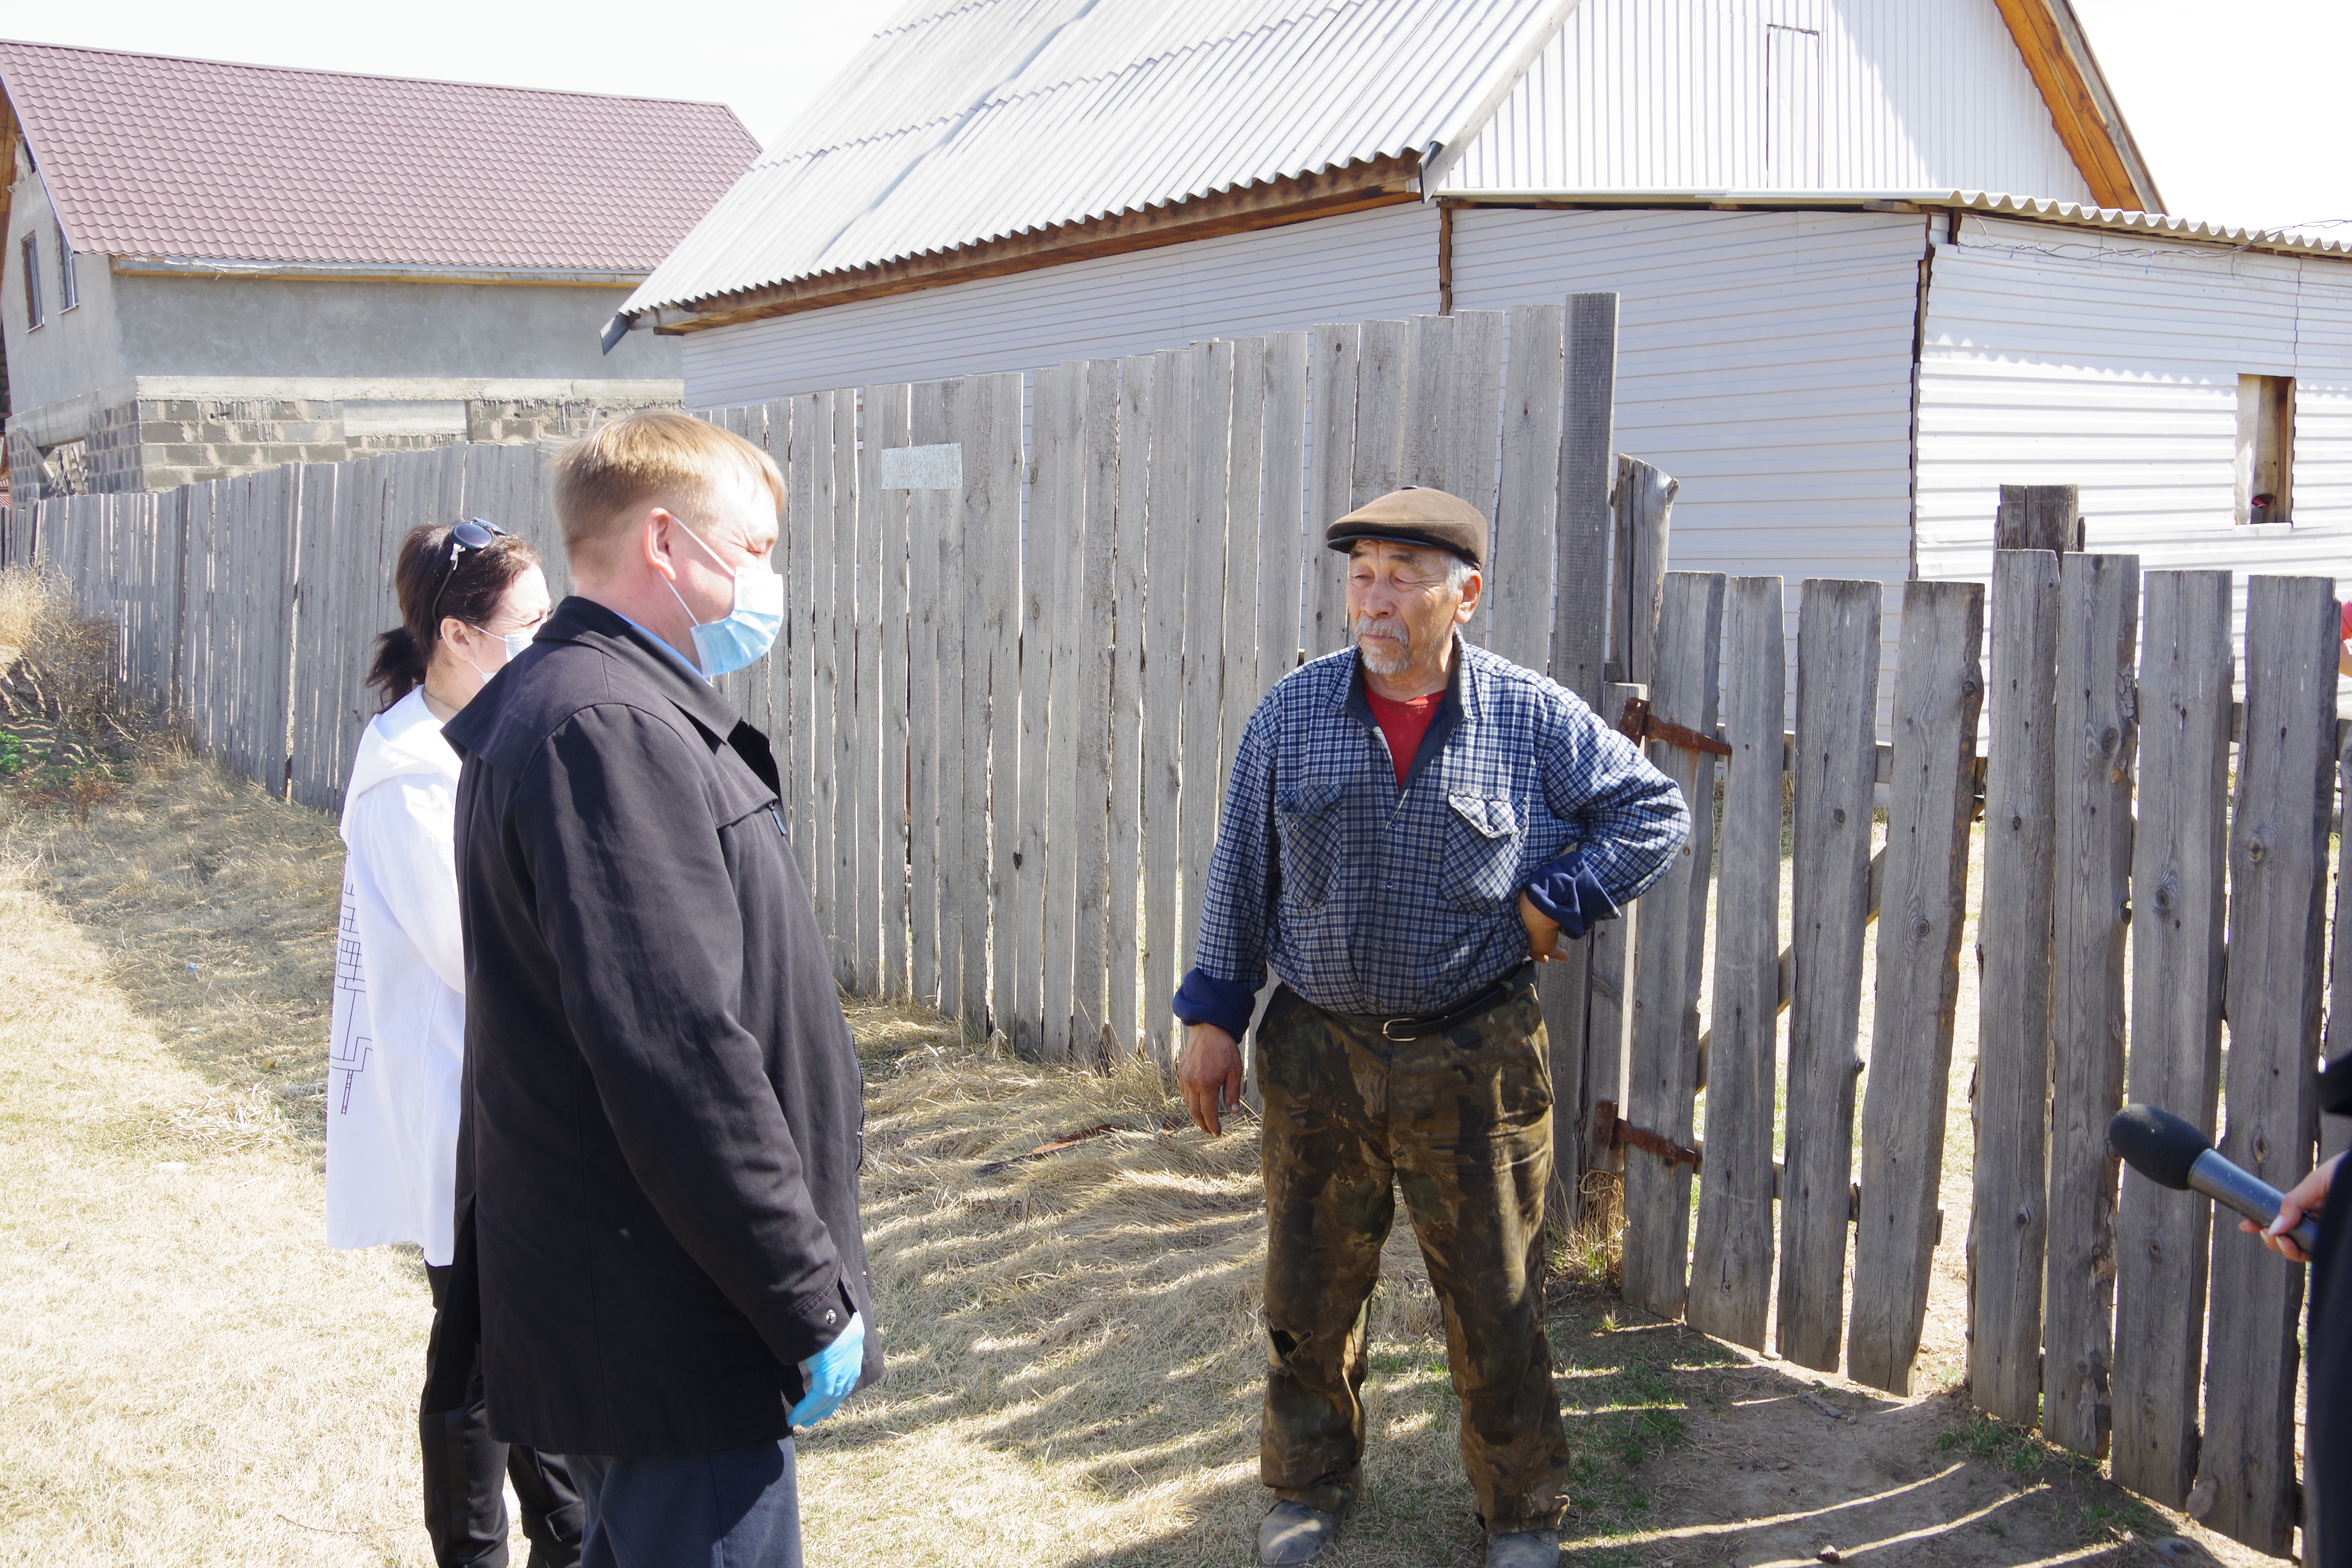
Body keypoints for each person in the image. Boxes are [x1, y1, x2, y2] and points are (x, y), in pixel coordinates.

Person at [1172, 486, 1691, 1568]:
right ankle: (1307, 1485)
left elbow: (1655, 812)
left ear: (1467, 596)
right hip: (1319, 1052)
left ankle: (1519, 1512)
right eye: (1362, 573)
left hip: (1474, 1052)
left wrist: (1560, 899)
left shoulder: (1528, 715)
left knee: (1494, 1299)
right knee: (1308, 1288)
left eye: (1405, 574)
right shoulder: (1292, 714)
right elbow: (1240, 877)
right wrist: (1213, 1019)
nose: (1376, 596)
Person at [439, 411, 877, 1568]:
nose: (770, 577)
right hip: (667, 1322)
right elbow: (675, 1052)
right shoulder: (606, 728)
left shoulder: (591, 704)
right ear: (671, 545)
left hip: (641, 1305)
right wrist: (801, 1296)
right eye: (757, 549)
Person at [327, 518, 579, 1566]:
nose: (547, 639)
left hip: (509, 1093)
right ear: (458, 634)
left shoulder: (482, 738)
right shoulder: (411, 776)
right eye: (529, 624)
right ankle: (485, 1549)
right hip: (465, 1105)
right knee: (477, 1348)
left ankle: (570, 1533)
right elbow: (476, 950)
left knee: (523, 1338)